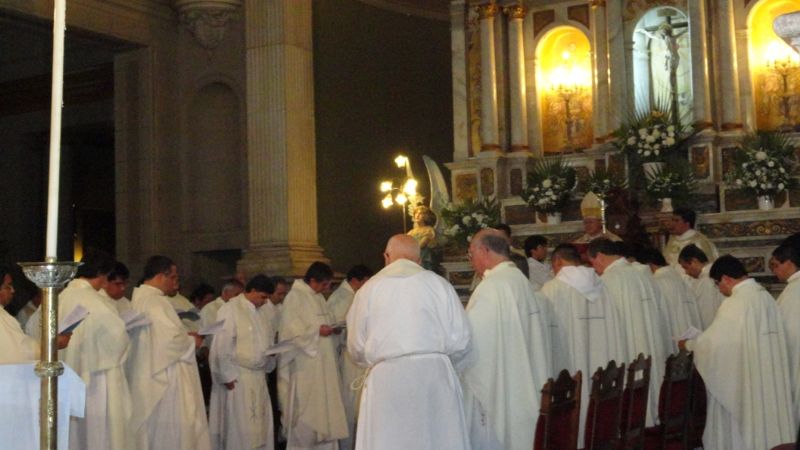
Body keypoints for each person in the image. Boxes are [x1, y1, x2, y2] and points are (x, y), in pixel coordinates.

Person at [347, 234, 471, 450]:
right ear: (419, 260)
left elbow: (356, 346)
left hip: (388, 380)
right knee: (438, 438)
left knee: (390, 440)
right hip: (434, 377)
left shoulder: (369, 290)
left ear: (386, 257)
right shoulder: (439, 285)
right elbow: (461, 340)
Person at [680, 255, 795, 450]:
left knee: (741, 429)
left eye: (718, 284)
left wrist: (690, 344)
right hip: (765, 376)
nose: (720, 290)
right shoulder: (764, 295)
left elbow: (715, 345)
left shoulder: (736, 302)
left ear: (726, 278)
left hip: (746, 380)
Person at [461, 228, 551, 450]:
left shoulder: (493, 287)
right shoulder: (518, 279)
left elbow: (474, 348)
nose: (471, 261)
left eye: (471, 254)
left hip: (504, 388)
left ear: (484, 250)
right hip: (522, 381)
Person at [539, 243, 626, 444]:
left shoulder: (552, 289)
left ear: (558, 262)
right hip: (602, 373)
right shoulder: (601, 286)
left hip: (569, 371)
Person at [127, 255, 210, 450]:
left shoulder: (143, 299)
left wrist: (184, 335)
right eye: (173, 277)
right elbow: (169, 343)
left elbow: (163, 336)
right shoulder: (155, 302)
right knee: (173, 430)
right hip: (167, 377)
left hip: (151, 372)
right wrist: (192, 340)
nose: (176, 283)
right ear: (161, 276)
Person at [587, 238, 671, 427]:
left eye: (593, 263)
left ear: (599, 256)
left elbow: (608, 324)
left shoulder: (609, 280)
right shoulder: (644, 274)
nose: (595, 269)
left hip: (629, 347)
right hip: (652, 345)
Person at [56, 251, 132, 450]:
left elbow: (34, 326)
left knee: (75, 434)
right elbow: (117, 336)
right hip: (96, 378)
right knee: (98, 431)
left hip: (67, 374)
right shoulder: (94, 299)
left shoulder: (62, 295)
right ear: (102, 274)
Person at [278, 261, 347, 449]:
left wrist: (333, 329)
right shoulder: (295, 297)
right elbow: (290, 333)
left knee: (326, 410)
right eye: (324, 284)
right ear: (313, 280)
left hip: (324, 364)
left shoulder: (317, 297)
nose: (326, 289)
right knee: (307, 414)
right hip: (306, 367)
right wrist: (317, 332)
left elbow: (326, 322)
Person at [209, 275, 278, 450]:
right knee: (240, 428)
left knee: (261, 426)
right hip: (240, 376)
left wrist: (271, 355)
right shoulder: (231, 309)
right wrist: (227, 375)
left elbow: (268, 337)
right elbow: (222, 344)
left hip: (259, 376)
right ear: (252, 291)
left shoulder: (264, 311)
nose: (265, 302)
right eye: (263, 297)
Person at [326, 264, 373, 450]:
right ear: (355, 280)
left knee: (361, 404)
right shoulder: (340, 298)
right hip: (349, 356)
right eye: (365, 282)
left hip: (361, 356)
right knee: (350, 403)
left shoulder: (358, 295)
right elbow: (335, 328)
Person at [637, 246, 702, 338]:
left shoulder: (657, 282)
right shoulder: (677, 277)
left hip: (673, 337)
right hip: (689, 333)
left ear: (649, 265)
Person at [771, 244, 800, 423]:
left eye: (776, 265)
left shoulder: (793, 292)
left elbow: (784, 335)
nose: (775, 271)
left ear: (789, 263)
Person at [0, 266, 43, 362]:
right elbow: (19, 352)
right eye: (8, 286)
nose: (12, 290)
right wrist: (49, 346)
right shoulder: (2, 318)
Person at [678, 244, 724, 328]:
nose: (686, 272)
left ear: (694, 261)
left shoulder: (705, 281)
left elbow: (706, 316)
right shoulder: (714, 274)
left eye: (686, 267)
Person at [407, 205, 437, 270]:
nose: (417, 215)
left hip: (422, 258)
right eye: (416, 213)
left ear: (426, 216)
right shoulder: (411, 232)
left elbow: (422, 244)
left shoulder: (429, 230)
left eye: (420, 213)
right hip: (411, 258)